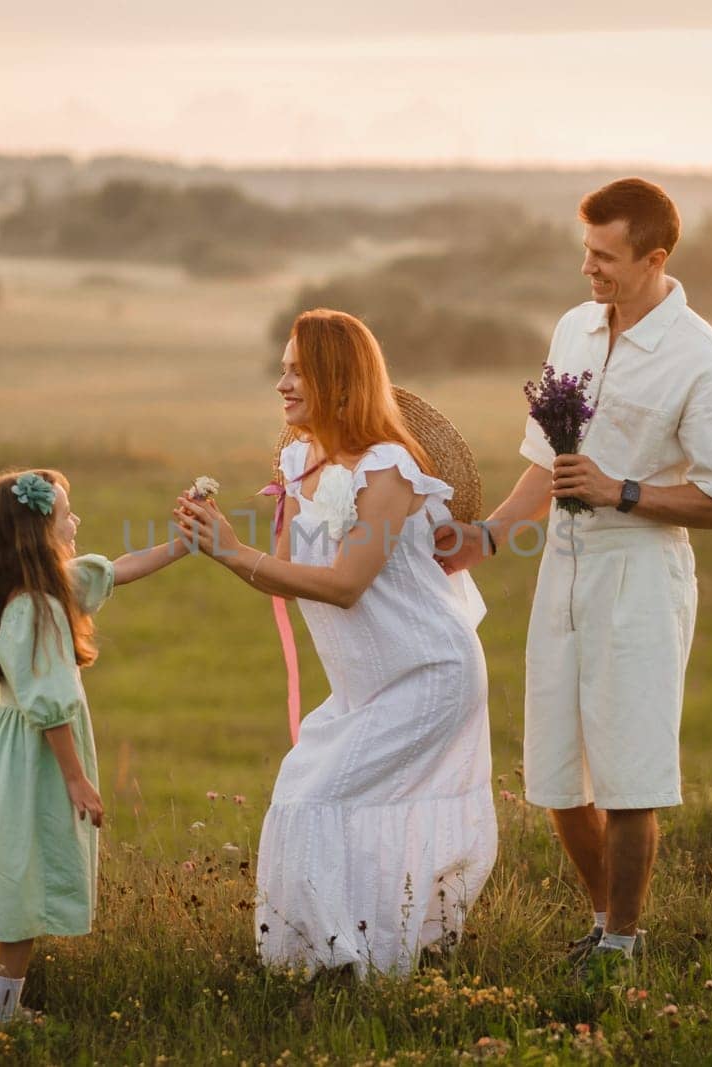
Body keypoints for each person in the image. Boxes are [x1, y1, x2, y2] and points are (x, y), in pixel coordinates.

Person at [438, 178, 712, 972]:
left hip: (641, 573)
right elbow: (546, 466)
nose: (589, 268)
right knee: (553, 772)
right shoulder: (574, 331)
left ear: (655, 258)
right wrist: (483, 538)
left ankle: (621, 944)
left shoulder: (705, 362)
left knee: (630, 771)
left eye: (605, 255)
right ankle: (603, 919)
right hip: (563, 571)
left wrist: (623, 490)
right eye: (585, 250)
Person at [174, 309, 496, 978]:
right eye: (284, 367)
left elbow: (346, 584)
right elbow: (289, 575)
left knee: (316, 795)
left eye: (297, 369)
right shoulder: (299, 458)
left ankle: (353, 961)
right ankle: (343, 957)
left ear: (335, 377)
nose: (282, 383)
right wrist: (224, 538)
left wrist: (235, 555)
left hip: (428, 668)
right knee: (317, 791)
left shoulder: (391, 468)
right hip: (363, 681)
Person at [0, 468, 187, 1024]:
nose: (76, 521)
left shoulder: (46, 589)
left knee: (22, 874)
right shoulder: (35, 609)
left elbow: (119, 570)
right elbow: (51, 704)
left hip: (23, 754)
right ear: (38, 534)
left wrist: (185, 545)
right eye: (65, 516)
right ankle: (1, 1018)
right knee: (22, 883)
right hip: (38, 758)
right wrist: (76, 777)